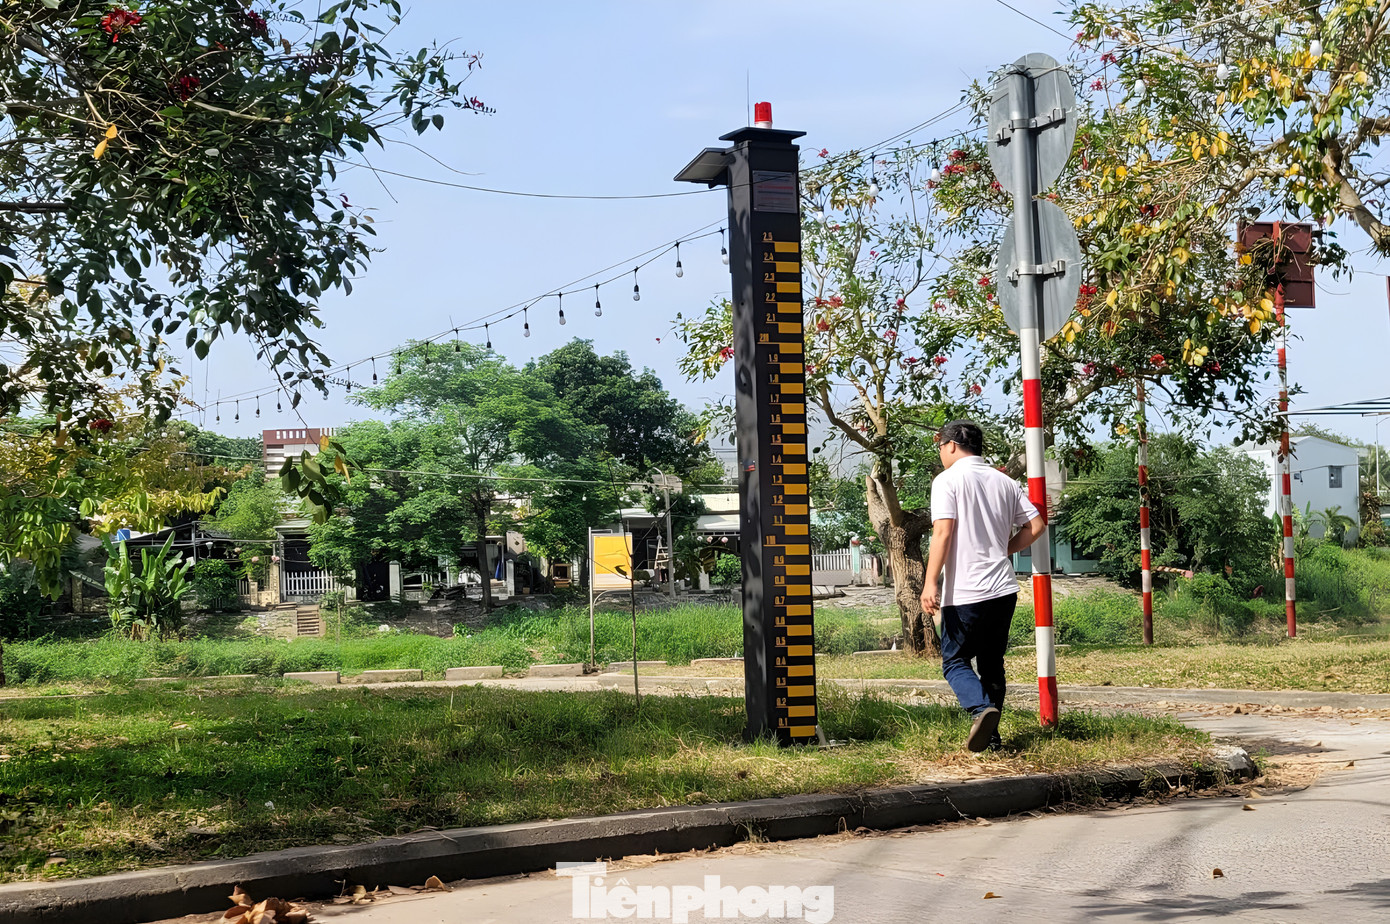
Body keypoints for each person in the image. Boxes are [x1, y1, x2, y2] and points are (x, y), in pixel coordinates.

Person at [919, 420, 1046, 752]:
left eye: (940, 447)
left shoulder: (946, 481)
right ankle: (991, 739)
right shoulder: (1004, 481)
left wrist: (930, 582)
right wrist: (1003, 550)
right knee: (991, 663)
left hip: (966, 591)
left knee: (955, 661)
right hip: (1003, 589)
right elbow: (1036, 526)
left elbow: (943, 532)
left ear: (950, 445)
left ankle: (980, 710)